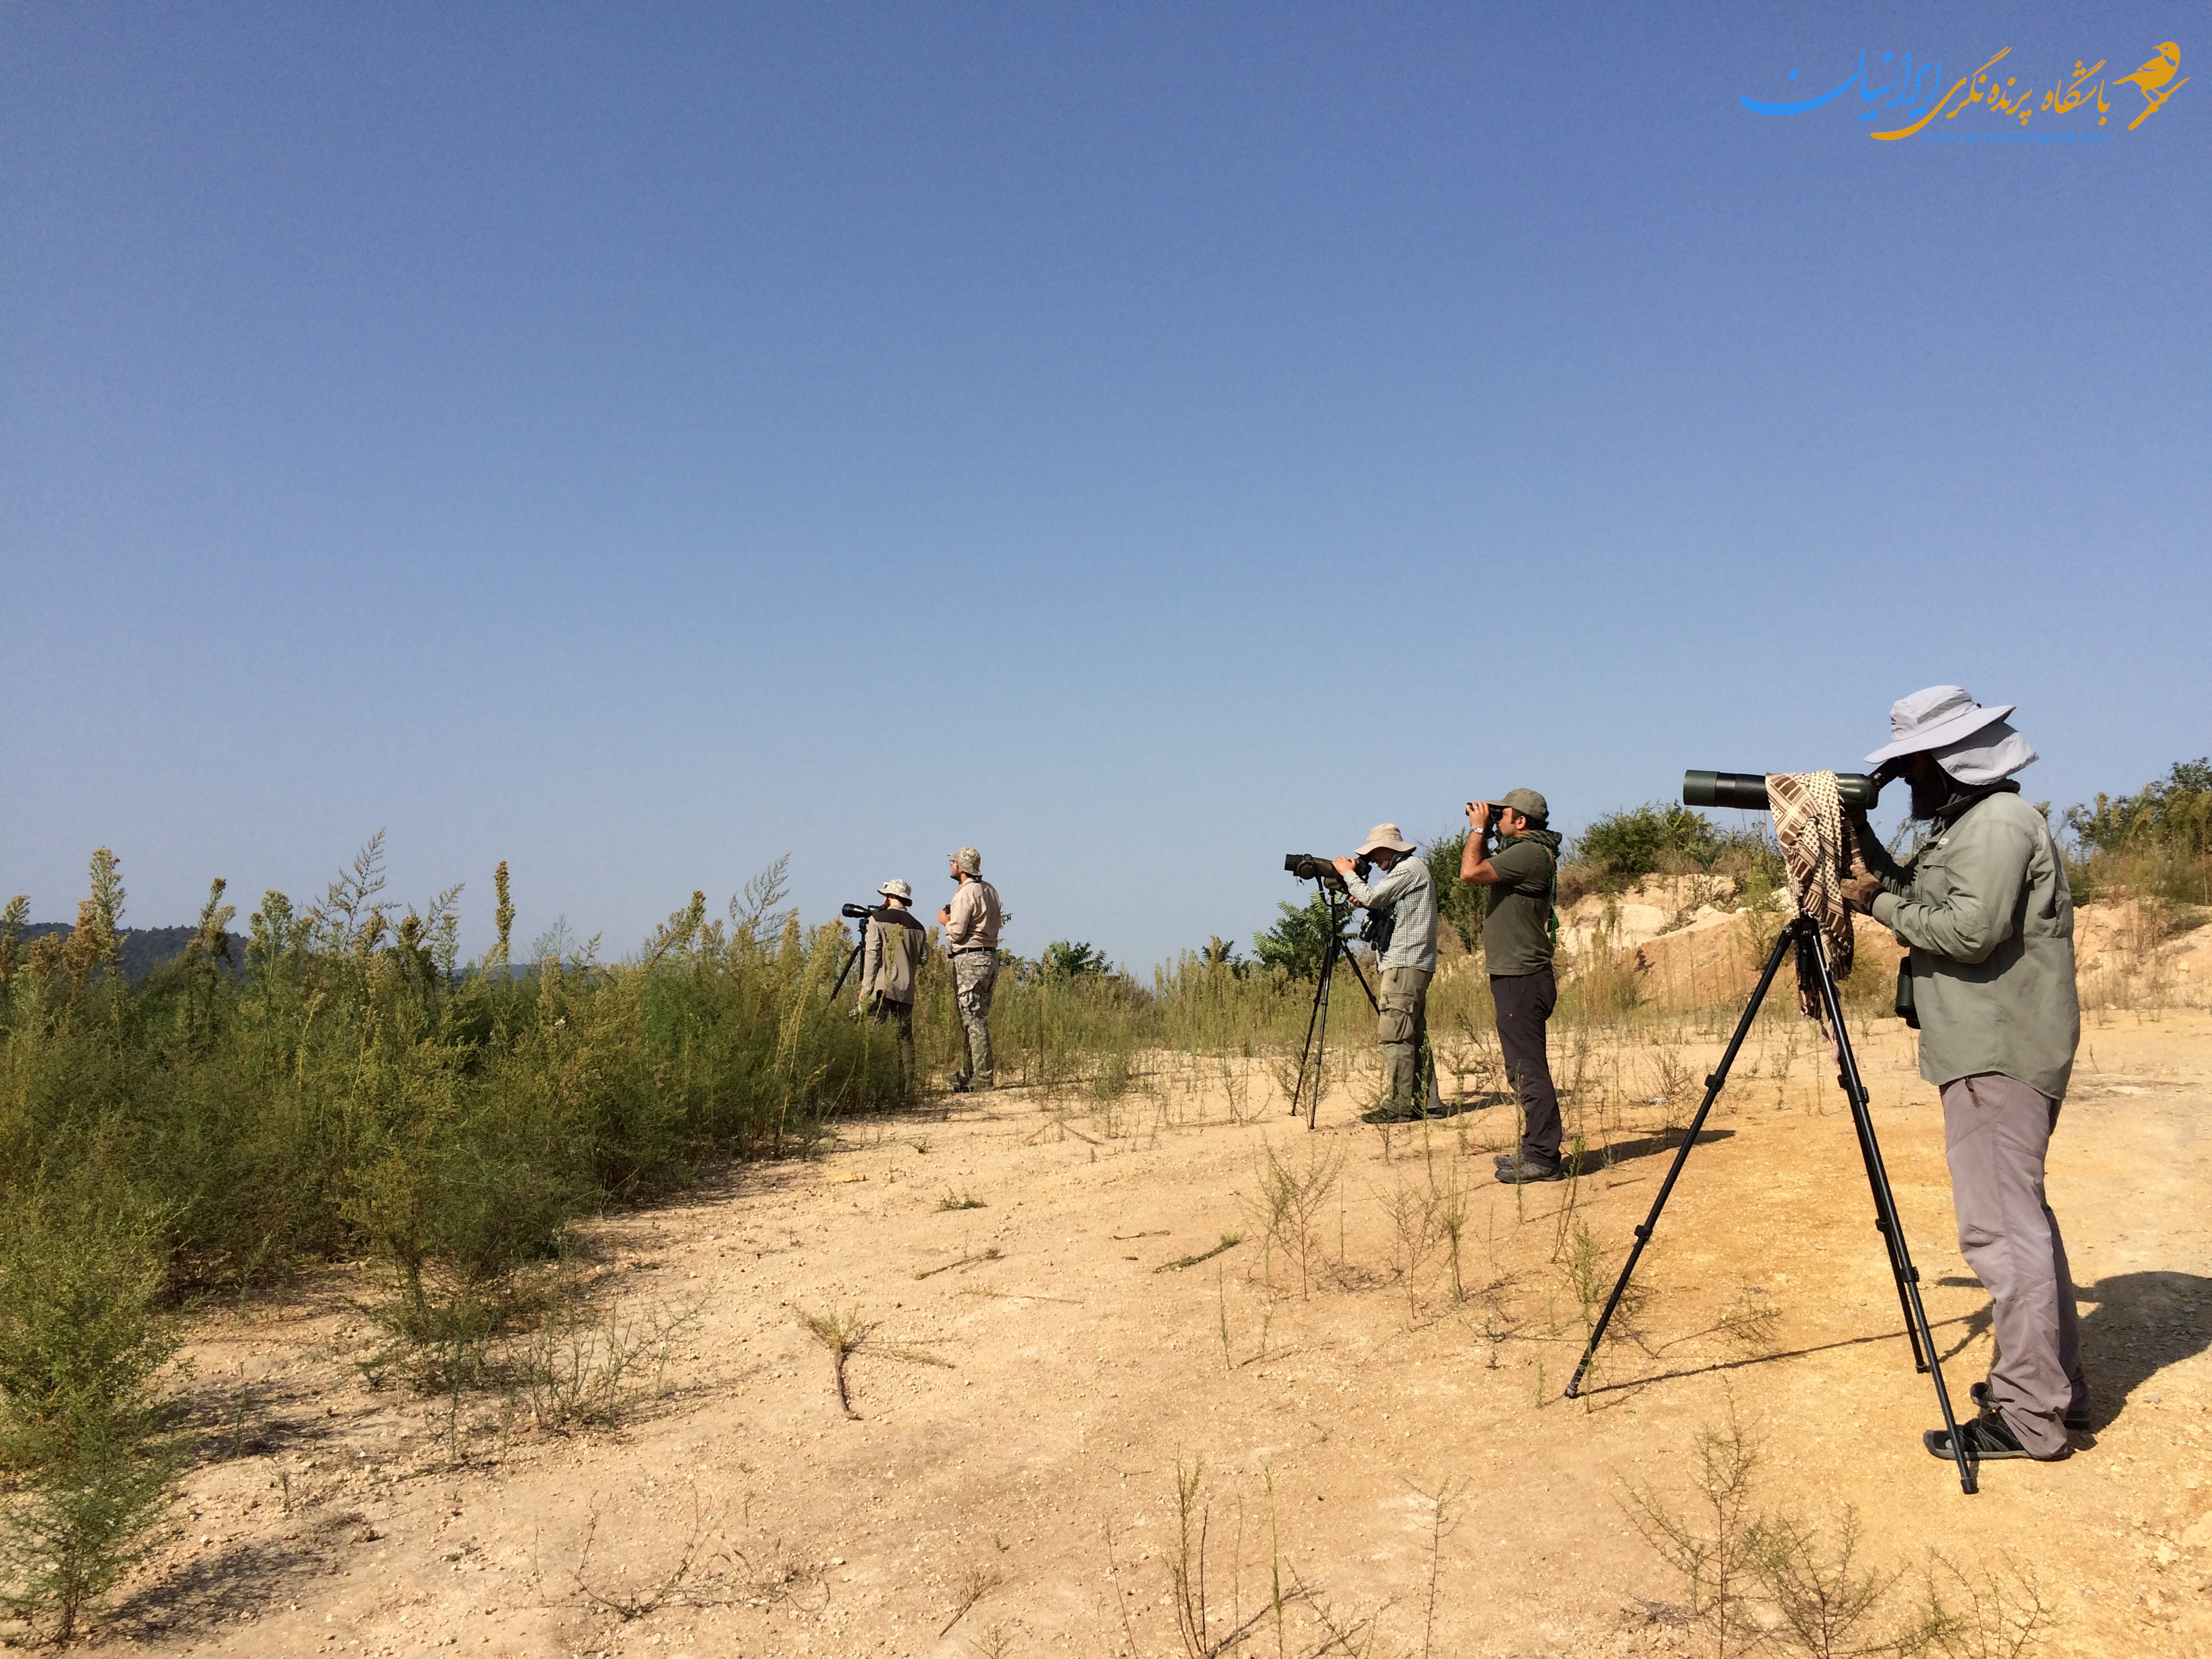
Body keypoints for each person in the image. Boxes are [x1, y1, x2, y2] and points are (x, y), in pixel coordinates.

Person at [1841, 686, 2086, 1463]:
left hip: (1997, 1052)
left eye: (1915, 766)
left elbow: (1970, 932)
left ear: (1952, 760)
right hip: (1995, 1047)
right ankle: (2052, 1387)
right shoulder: (1976, 824)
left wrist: (1876, 904)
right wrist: (1860, 843)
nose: (1908, 781)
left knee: (2001, 1235)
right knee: (2024, 1226)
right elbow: (1919, 894)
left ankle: (2027, 1416)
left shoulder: (1996, 826)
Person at [1460, 790, 1565, 1183]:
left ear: (1521, 821)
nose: (1496, 819)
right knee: (1522, 1066)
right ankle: (1535, 1149)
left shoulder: (1526, 854)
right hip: (1520, 975)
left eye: (1502, 815)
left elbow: (1470, 873)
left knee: (1527, 1069)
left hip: (1522, 978)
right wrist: (1485, 832)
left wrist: (1476, 829)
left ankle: (1542, 1156)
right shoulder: (1526, 851)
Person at [1333, 823, 1439, 1123]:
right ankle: (1427, 1103)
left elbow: (1371, 897)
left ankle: (1399, 1106)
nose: (1374, 860)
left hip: (1405, 963)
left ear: (1389, 849)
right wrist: (1362, 895)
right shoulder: (1405, 873)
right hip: (1413, 962)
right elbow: (1379, 902)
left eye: (1375, 852)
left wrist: (1347, 874)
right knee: (1414, 1034)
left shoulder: (1409, 869)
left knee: (1395, 1035)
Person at [937, 846, 1002, 1092]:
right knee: (975, 1017)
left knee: (973, 1020)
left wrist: (945, 921)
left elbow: (957, 931)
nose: (951, 865)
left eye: (953, 861)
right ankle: (970, 1073)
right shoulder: (990, 891)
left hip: (970, 959)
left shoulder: (966, 894)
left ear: (962, 868)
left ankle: (983, 1079)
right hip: (989, 958)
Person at [857, 878, 928, 1082]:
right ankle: (907, 1086)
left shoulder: (877, 920)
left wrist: (866, 988)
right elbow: (924, 958)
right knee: (905, 1037)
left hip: (881, 988)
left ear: (889, 897)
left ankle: (874, 1082)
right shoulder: (919, 927)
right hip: (906, 989)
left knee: (875, 1035)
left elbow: (872, 956)